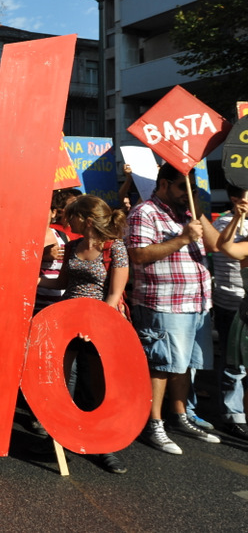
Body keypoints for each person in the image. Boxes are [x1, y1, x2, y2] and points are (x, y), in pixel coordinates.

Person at [126, 163, 220, 454]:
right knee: (162, 365)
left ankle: (180, 415)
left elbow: (216, 246)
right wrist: (181, 239)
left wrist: (199, 216)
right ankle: (153, 423)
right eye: (182, 187)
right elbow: (138, 255)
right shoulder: (144, 212)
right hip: (163, 304)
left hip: (196, 303)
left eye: (191, 188)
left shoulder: (189, 213)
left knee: (183, 365)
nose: (187, 194)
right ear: (163, 184)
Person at [39, 194, 130, 473]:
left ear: (86, 220)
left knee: (97, 386)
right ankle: (63, 436)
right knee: (62, 383)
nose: (67, 220)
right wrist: (29, 275)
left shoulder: (115, 248)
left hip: (100, 325)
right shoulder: (72, 246)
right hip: (68, 320)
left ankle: (105, 445)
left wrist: (95, 326)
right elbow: (62, 282)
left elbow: (114, 295)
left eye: (72, 216)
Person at [215, 187, 248, 439]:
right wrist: (238, 218)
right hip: (235, 306)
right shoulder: (226, 221)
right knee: (235, 366)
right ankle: (233, 415)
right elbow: (224, 247)